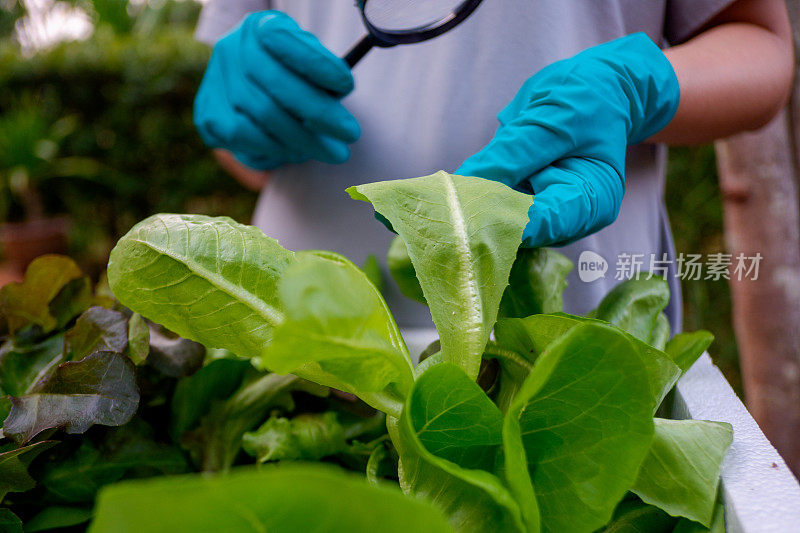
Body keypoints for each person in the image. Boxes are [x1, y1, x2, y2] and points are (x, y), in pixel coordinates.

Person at [192, 0, 793, 351]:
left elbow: (761, 43)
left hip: (566, 343)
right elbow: (245, 164)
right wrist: (246, 119)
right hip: (295, 334)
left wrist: (637, 87)